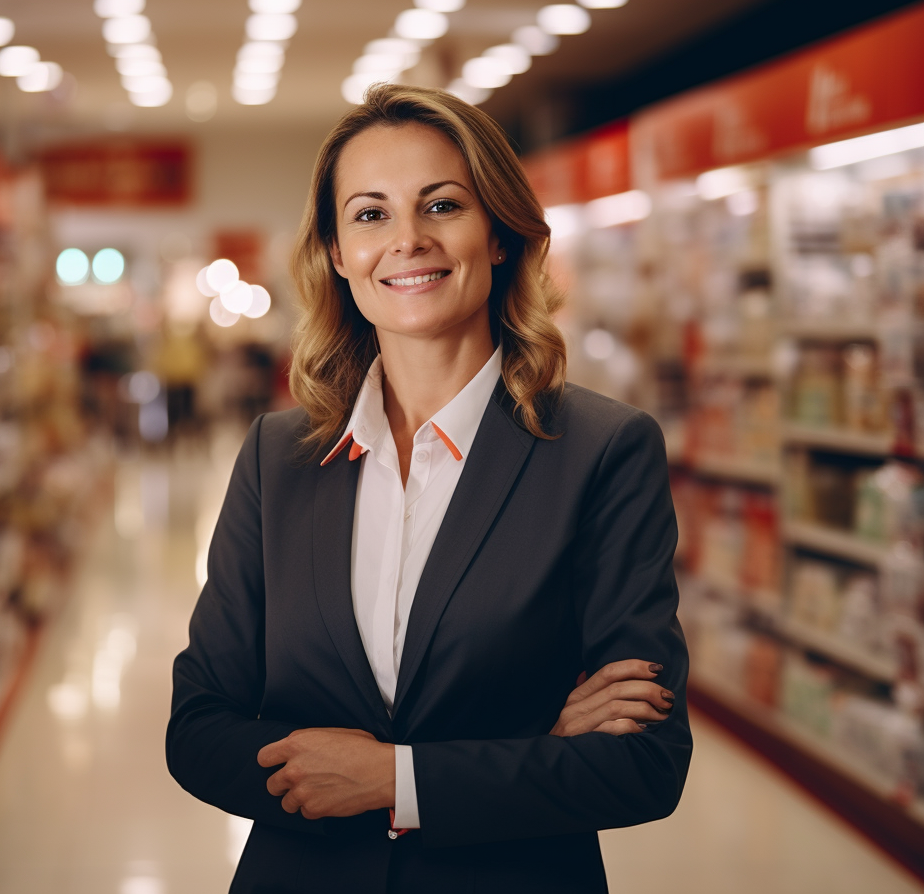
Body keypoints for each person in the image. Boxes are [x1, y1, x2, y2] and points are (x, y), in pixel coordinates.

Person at [166, 84, 691, 893]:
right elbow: (199, 728)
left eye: (441, 205)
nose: (407, 241)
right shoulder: (280, 455)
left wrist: (395, 780)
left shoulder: (601, 452)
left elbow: (644, 764)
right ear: (337, 253)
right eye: (370, 215)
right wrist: (533, 752)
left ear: (501, 235)